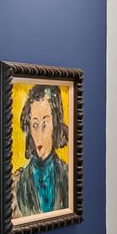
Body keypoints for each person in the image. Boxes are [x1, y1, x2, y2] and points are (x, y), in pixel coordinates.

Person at [12, 83, 71, 217]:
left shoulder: (69, 176)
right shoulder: (16, 184)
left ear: (55, 125)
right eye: (34, 124)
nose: (38, 135)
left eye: (45, 124)